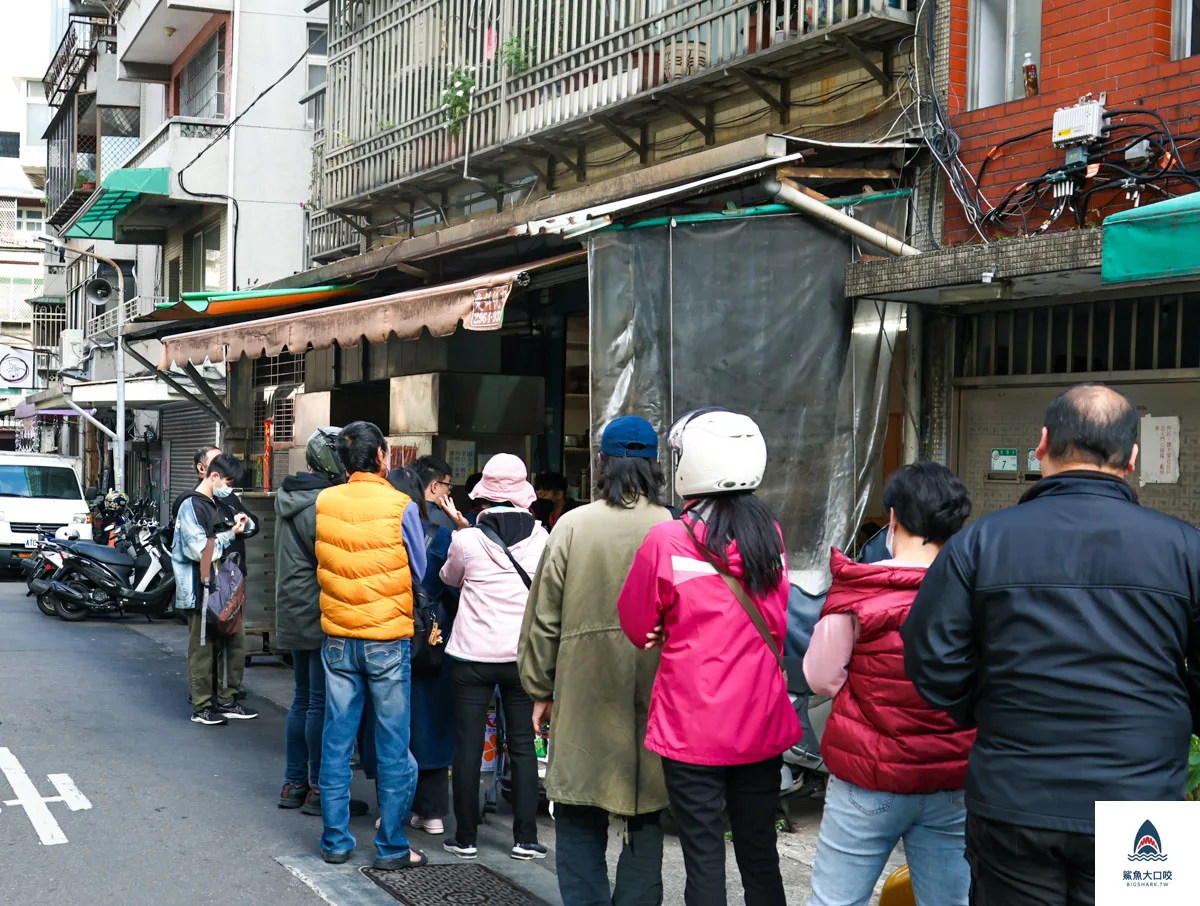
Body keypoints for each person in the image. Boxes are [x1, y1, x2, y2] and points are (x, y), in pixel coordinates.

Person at [902, 384, 1200, 906]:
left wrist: (985, 707)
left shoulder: (981, 542)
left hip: (1015, 797)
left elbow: (931, 656)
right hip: (1144, 800)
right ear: (1132, 458)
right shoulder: (1185, 548)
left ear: (1041, 443)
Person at [618, 409, 800, 906]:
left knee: (703, 856)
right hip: (760, 722)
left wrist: (662, 627)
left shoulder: (668, 539)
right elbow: (778, 619)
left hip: (692, 726)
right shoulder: (771, 535)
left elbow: (637, 624)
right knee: (760, 853)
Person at [804, 463, 975, 906]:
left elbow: (820, 679)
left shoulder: (858, 593)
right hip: (950, 779)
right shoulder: (977, 594)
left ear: (894, 518)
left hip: (869, 779)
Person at [519, 415, 673, 905]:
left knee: (579, 816)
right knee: (645, 816)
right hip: (657, 699)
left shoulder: (571, 525)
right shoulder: (674, 527)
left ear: (602, 464)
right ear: (655, 467)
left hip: (584, 695)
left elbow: (543, 619)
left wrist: (540, 690)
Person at [314, 421, 428, 870]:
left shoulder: (326, 501)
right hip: (387, 639)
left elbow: (321, 556)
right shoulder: (400, 505)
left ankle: (336, 841)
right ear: (382, 456)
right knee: (392, 746)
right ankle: (392, 846)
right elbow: (418, 568)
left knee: (337, 743)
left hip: (339, 636)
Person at [439, 453, 550, 862]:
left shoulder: (466, 539)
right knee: (521, 745)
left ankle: (465, 837)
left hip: (471, 658)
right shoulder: (543, 538)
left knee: (468, 746)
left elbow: (448, 578)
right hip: (523, 659)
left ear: (484, 492)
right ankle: (525, 839)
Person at [275, 427, 369, 818]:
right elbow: (338, 557)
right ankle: (316, 787)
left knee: (301, 700)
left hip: (293, 607)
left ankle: (294, 782)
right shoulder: (319, 504)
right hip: (317, 607)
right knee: (317, 702)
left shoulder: (291, 494)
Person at [387, 467, 459, 836]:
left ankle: (393, 811)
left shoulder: (381, 533)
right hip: (432, 639)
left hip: (389, 634)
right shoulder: (444, 536)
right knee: (433, 722)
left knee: (393, 725)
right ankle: (432, 812)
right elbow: (458, 591)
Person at [170, 452, 258, 726]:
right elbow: (199, 550)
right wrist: (231, 533)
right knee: (203, 649)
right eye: (228, 481)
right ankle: (202, 707)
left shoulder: (221, 501)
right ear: (213, 475)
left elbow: (251, 524)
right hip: (202, 589)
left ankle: (226, 700)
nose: (230, 488)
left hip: (227, 588)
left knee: (233, 644)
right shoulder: (191, 506)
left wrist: (242, 524)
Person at [414, 455, 463, 533]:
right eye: (448, 485)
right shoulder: (441, 519)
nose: (449, 491)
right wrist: (463, 526)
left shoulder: (406, 509)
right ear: (434, 487)